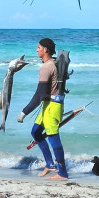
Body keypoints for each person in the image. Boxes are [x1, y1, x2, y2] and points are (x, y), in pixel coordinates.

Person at [17, 38, 68, 180]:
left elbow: (40, 94)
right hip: (49, 105)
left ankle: (63, 173)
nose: (36, 50)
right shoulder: (53, 63)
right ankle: (50, 164)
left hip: (52, 107)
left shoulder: (46, 67)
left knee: (53, 137)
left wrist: (24, 112)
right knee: (36, 131)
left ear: (46, 49)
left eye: (38, 47)